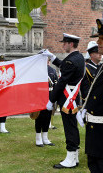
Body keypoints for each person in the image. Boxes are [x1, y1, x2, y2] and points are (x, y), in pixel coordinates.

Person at [41, 33, 85, 169]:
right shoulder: (78, 57)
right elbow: (64, 66)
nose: (63, 45)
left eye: (64, 43)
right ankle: (74, 156)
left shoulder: (71, 60)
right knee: (73, 127)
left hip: (68, 100)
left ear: (70, 44)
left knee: (69, 128)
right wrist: (52, 57)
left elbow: (61, 82)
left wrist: (51, 100)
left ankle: (70, 158)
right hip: (73, 99)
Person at [77, 18, 103, 173]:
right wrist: (86, 109)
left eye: (102, 39)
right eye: (99, 38)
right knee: (94, 164)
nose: (98, 42)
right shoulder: (100, 66)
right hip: (95, 129)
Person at [35, 59, 57, 146]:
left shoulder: (52, 70)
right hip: (39, 96)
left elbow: (55, 83)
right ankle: (38, 138)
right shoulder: (36, 70)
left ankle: (45, 138)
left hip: (50, 96)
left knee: (47, 117)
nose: (47, 61)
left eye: (48, 60)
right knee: (39, 117)